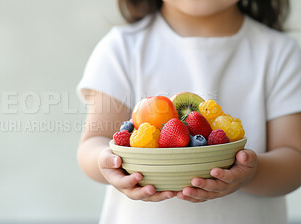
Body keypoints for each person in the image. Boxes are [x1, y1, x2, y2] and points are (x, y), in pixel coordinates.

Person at [76, 0, 301, 223]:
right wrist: (108, 163)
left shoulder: (280, 53)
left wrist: (252, 173)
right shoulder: (121, 48)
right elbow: (94, 142)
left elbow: (294, 160)